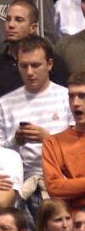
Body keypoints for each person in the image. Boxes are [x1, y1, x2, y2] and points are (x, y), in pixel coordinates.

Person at [0, 36, 71, 197]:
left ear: (49, 64)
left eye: (35, 65)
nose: (29, 72)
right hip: (19, 180)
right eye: (23, 66)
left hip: (62, 176)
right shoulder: (4, 104)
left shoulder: (68, 98)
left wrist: (48, 140)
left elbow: (79, 148)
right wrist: (15, 141)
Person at [0, 1, 67, 105]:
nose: (11, 25)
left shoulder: (52, 62)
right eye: (8, 19)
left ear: (32, 28)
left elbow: (63, 98)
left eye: (18, 20)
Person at [43, 71, 85, 207]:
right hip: (73, 217)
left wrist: (72, 184)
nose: (75, 103)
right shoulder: (53, 143)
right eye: (71, 96)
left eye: (82, 96)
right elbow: (54, 188)